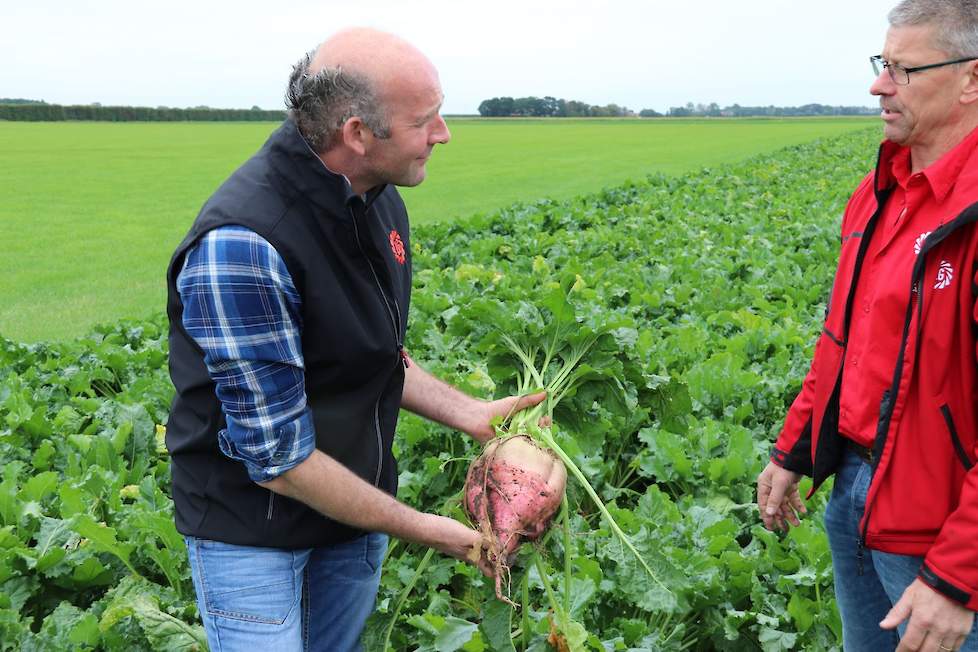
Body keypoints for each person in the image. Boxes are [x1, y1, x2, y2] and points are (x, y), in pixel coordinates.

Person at [164, 28, 544, 651]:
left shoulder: (376, 199)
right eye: (425, 119)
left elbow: (373, 355)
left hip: (352, 521)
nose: (444, 132)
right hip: (255, 536)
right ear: (357, 133)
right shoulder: (245, 246)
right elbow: (279, 460)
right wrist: (426, 529)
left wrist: (474, 415)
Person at [756, 1, 978, 650]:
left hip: (943, 522)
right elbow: (845, 342)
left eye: (904, 70)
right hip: (854, 490)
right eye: (883, 65)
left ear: (972, 80)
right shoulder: (880, 190)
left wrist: (957, 577)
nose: (879, 85)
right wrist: (796, 448)